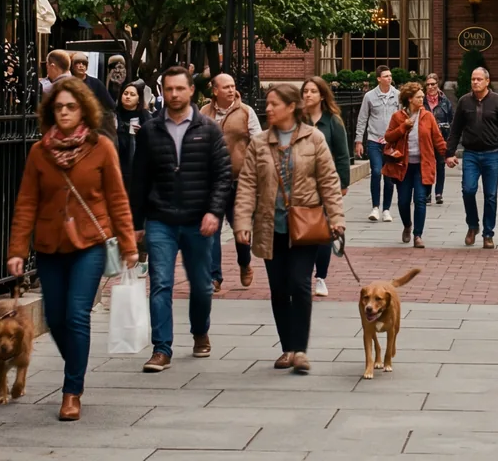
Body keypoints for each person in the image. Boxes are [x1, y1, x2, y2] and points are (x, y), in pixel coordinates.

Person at [7, 74, 136, 422]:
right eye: (59, 107)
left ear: (84, 111)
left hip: (90, 244)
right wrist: (18, 249)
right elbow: (26, 203)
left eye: (71, 107)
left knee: (77, 314)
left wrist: (128, 244)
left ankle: (71, 390)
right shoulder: (39, 152)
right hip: (50, 245)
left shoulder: (101, 147)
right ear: (51, 111)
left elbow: (118, 199)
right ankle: (75, 362)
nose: (64, 112)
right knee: (55, 317)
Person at [234, 83, 344, 374]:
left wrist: (336, 218)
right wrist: (242, 222)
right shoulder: (259, 143)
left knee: (299, 283)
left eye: (273, 104)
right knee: (279, 289)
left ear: (291, 107)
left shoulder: (314, 138)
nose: (268, 109)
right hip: (271, 226)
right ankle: (287, 347)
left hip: (305, 225)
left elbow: (329, 181)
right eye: (267, 104)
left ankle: (300, 350)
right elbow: (247, 185)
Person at [129, 65, 231, 372]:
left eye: (179, 88)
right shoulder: (150, 130)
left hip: (198, 220)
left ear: (191, 91)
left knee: (201, 285)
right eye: (169, 89)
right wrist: (135, 224)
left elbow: (223, 175)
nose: (174, 94)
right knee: (161, 282)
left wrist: (214, 211)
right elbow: (138, 179)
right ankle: (162, 348)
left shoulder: (208, 129)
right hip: (160, 219)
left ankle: (200, 331)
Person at [201, 72, 261, 293]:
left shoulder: (246, 112)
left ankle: (244, 263)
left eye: (232, 86)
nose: (230, 89)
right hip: (213, 182)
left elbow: (258, 141)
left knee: (240, 229)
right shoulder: (204, 113)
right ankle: (214, 276)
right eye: (225, 86)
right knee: (211, 229)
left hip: (239, 181)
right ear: (215, 90)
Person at [445, 65, 498, 249]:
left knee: (491, 195)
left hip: (492, 154)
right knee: (468, 190)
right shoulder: (464, 102)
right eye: (473, 79)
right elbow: (455, 129)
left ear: (487, 81)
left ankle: (488, 234)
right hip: (471, 155)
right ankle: (472, 226)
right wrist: (449, 153)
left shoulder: (497, 101)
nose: (475, 82)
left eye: (479, 79)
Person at [299, 77, 351, 297]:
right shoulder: (296, 120)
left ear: (322, 95)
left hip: (325, 186)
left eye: (313, 91)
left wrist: (343, 183)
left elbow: (342, 154)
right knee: (300, 230)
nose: (308, 95)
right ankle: (300, 275)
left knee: (323, 234)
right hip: (300, 185)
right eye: (305, 91)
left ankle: (320, 277)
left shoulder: (333, 122)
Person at [384, 80, 447, 248]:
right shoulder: (398, 117)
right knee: (404, 201)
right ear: (410, 99)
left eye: (422, 96)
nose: (422, 99)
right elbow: (389, 137)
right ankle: (407, 225)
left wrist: (448, 155)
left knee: (420, 199)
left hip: (422, 165)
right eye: (419, 97)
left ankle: (417, 235)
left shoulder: (428, 117)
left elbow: (438, 139)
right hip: (403, 166)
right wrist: (403, 127)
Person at [355, 67, 400, 222]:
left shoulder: (397, 95)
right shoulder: (369, 96)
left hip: (391, 142)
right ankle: (375, 207)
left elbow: (402, 118)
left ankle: (386, 209)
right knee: (376, 171)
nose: (389, 78)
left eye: (390, 76)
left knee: (388, 176)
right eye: (386, 76)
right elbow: (362, 119)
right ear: (379, 79)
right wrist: (358, 140)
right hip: (374, 140)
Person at [423, 75, 453, 204]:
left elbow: (451, 120)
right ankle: (427, 193)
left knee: (440, 165)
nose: (430, 87)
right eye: (428, 84)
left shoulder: (445, 102)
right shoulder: (422, 101)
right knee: (428, 165)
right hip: (426, 139)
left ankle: (439, 193)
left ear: (437, 85)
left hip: (441, 137)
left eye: (433, 84)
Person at [114, 82, 149, 186]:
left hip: (137, 166)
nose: (128, 97)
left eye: (132, 95)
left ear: (139, 99)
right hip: (117, 163)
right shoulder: (114, 114)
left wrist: (142, 133)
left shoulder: (145, 117)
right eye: (125, 93)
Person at [71, 53, 116, 118]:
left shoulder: (96, 83)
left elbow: (110, 105)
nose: (81, 66)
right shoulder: (68, 83)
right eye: (78, 63)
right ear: (73, 66)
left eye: (84, 63)